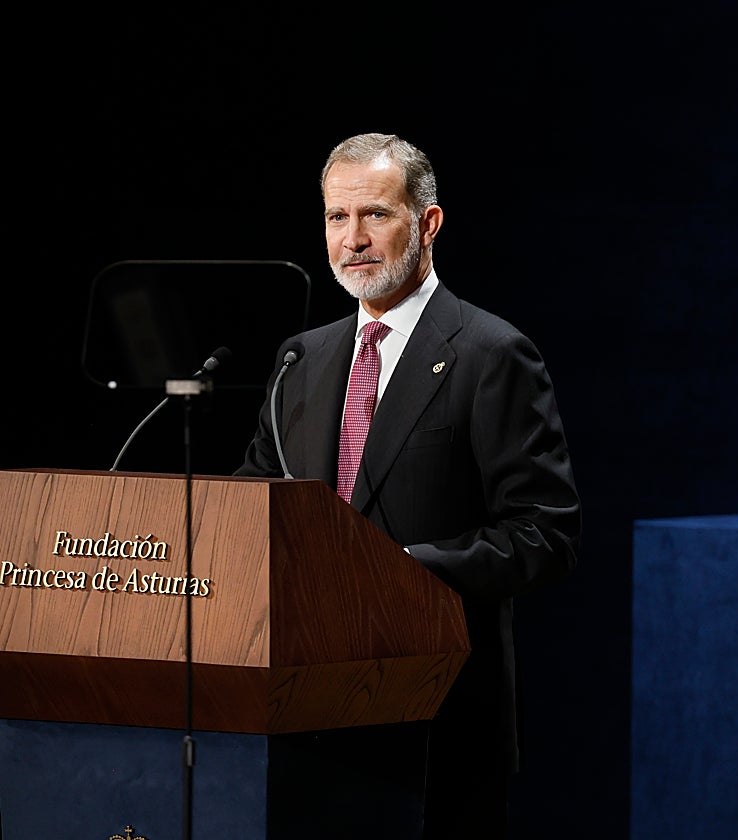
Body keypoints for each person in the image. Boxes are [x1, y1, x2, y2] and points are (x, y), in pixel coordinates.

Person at [235, 132, 582, 838]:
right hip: (302, 715)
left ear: (428, 223)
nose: (353, 239)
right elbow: (252, 509)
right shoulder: (301, 359)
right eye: (337, 217)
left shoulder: (492, 354)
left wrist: (399, 571)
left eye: (375, 214)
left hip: (439, 723)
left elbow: (545, 534)